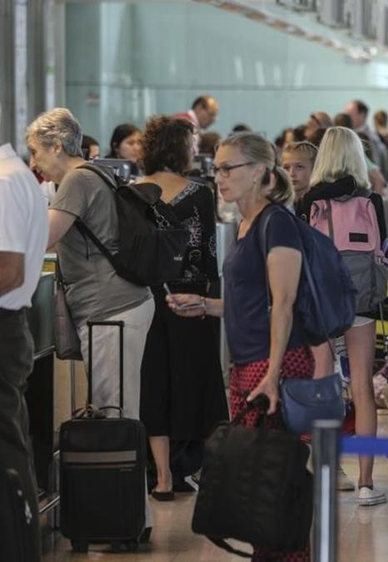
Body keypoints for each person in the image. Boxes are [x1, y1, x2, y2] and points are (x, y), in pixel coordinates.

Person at [166, 132, 312, 561]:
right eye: (216, 168)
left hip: (274, 363)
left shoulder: (277, 221)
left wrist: (273, 372)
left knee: (272, 477)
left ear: (261, 174)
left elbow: (284, 302)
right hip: (250, 361)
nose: (220, 177)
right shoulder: (248, 224)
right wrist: (208, 306)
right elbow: (250, 304)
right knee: (256, 481)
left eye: (229, 168)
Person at [33, 108, 156, 529]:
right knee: (117, 410)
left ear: (55, 145)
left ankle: (123, 517)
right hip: (118, 305)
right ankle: (128, 512)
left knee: (114, 413)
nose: (34, 162)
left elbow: (44, 237)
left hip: (111, 309)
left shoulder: (77, 179)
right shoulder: (94, 173)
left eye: (36, 151)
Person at [135, 116, 227, 501]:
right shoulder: (200, 193)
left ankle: (161, 478)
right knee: (200, 384)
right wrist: (209, 299)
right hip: (191, 298)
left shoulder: (132, 192)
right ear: (180, 148)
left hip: (147, 297)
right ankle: (207, 471)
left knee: (155, 387)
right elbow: (207, 252)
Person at [297, 126, 388, 506]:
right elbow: (381, 248)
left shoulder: (309, 201)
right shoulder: (372, 200)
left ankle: (326, 470)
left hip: (322, 302)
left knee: (324, 388)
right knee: (363, 388)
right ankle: (367, 483)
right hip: (362, 303)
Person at [0, 115, 48, 562]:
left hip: (4, 327)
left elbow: (9, 271)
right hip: (11, 326)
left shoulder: (5, 182)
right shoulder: (15, 176)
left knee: (8, 453)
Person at [344, 100, 388, 179]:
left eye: (350, 114)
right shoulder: (350, 135)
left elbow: (376, 166)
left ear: (362, 115)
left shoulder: (369, 138)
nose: (346, 118)